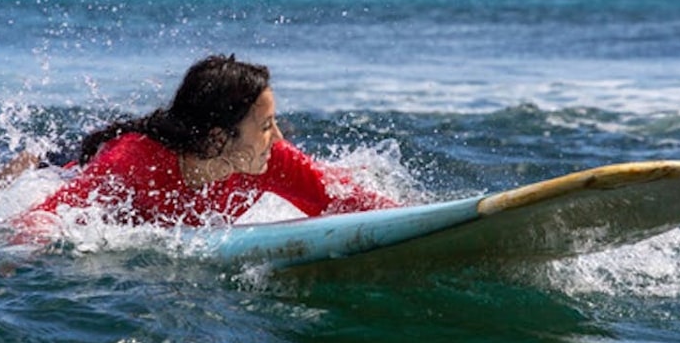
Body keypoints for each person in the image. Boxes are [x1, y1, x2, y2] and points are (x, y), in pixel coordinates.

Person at [20, 54, 397, 228]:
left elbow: (344, 200)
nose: (278, 138)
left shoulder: (269, 160)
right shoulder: (136, 161)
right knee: (31, 169)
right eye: (266, 125)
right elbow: (48, 213)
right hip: (68, 168)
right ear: (219, 138)